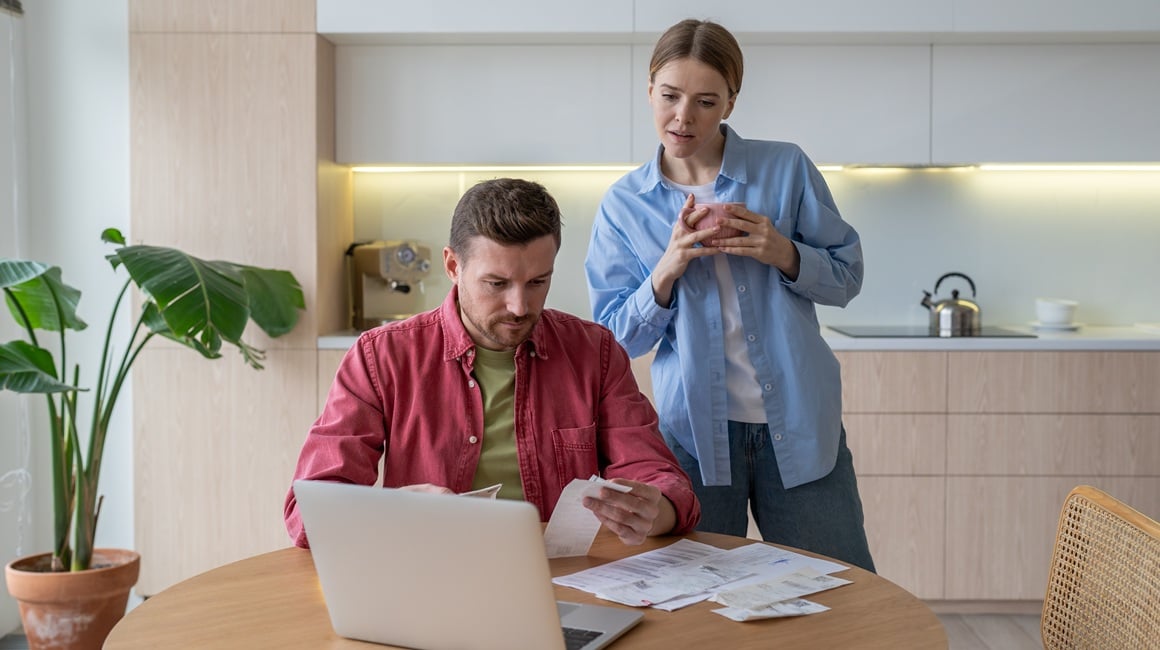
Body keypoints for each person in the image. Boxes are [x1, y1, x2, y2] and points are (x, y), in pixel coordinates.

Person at [584, 19, 875, 571]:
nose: (683, 117)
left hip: (800, 423)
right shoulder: (624, 204)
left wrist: (783, 251)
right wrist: (665, 273)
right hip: (691, 436)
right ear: (649, 91)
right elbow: (614, 338)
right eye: (669, 96)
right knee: (691, 600)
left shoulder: (785, 168)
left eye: (705, 100)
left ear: (731, 103)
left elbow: (848, 276)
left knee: (840, 589)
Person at [285, 178, 700, 549]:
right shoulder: (382, 356)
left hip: (568, 577)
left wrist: (655, 509)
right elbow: (307, 513)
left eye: (538, 282)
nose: (520, 306)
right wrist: (390, 510)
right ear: (453, 266)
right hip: (430, 571)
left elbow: (661, 481)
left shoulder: (594, 351)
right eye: (496, 284)